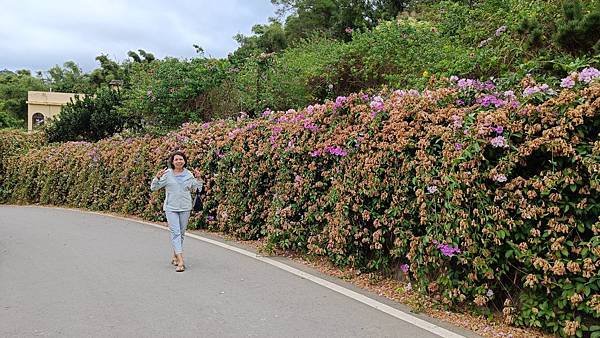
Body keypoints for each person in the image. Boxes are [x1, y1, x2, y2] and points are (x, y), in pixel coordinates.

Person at [150, 151, 203, 272]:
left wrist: (198, 178)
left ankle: (175, 255)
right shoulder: (167, 174)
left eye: (181, 159)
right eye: (176, 159)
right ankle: (181, 261)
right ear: (172, 162)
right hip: (171, 207)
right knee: (176, 233)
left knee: (182, 233)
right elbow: (154, 188)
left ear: (184, 161)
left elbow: (196, 189)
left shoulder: (189, 174)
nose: (179, 161)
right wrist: (157, 178)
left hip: (185, 207)